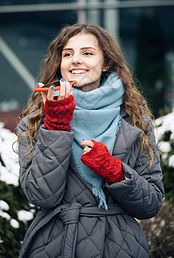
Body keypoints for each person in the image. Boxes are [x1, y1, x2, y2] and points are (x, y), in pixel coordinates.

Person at [16, 23, 164, 258]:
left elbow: (151, 203)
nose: (75, 60)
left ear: (106, 63)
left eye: (87, 53)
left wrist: (116, 171)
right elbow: (41, 195)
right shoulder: (36, 121)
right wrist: (56, 126)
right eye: (67, 54)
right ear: (60, 63)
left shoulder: (136, 120)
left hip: (120, 246)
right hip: (56, 245)